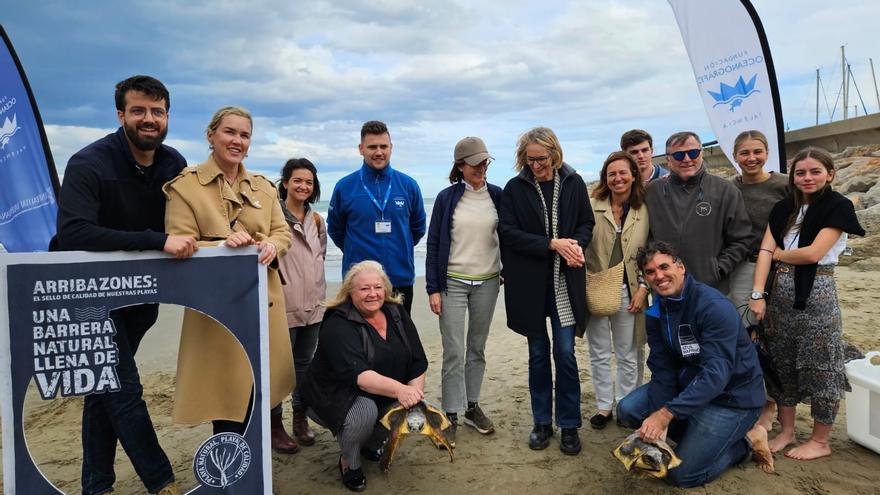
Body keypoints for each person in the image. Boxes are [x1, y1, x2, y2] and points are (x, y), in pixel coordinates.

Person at [54, 75, 194, 495]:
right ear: (121, 115)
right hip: (88, 299)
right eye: (139, 111)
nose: (148, 119)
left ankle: (96, 485)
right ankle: (161, 481)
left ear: (167, 115)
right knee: (123, 387)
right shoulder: (88, 163)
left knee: (103, 391)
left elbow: (192, 219)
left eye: (157, 111)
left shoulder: (173, 163)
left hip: (140, 299)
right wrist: (157, 241)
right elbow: (74, 233)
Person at [164, 106, 294, 436]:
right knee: (226, 397)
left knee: (260, 392)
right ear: (211, 135)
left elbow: (282, 233)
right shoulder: (185, 187)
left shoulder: (265, 187)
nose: (237, 141)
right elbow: (179, 244)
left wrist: (270, 246)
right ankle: (232, 478)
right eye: (229, 132)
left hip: (264, 301)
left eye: (244, 135)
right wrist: (224, 246)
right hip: (216, 307)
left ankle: (257, 477)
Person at [616, 241, 773, 488]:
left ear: (681, 268)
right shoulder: (657, 311)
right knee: (628, 410)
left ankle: (746, 442)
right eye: (650, 272)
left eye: (664, 267)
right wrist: (660, 424)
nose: (659, 276)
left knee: (681, 475)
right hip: (690, 384)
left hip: (732, 397)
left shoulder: (712, 306)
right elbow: (662, 368)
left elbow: (716, 375)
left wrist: (666, 414)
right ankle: (695, 435)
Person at [748, 147, 864, 460]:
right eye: (801, 172)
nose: (807, 178)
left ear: (830, 174)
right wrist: (757, 293)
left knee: (821, 363)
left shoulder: (837, 207)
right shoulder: (784, 208)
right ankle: (787, 431)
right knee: (781, 362)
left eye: (815, 171)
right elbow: (763, 251)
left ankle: (820, 440)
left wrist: (776, 255)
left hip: (818, 293)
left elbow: (813, 253)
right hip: (779, 296)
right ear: (793, 176)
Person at [499, 127, 594, 455]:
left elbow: (586, 223)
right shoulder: (515, 188)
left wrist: (575, 245)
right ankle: (542, 422)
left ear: (555, 153)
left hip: (565, 284)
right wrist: (551, 244)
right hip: (529, 286)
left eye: (541, 159)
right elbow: (507, 232)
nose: (536, 166)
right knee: (538, 355)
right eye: (530, 159)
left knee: (565, 354)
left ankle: (569, 425)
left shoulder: (574, 182)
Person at [301, 260, 428, 492]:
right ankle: (350, 462)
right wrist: (401, 390)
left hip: (377, 388)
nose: (373, 294)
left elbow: (418, 361)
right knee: (365, 412)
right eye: (364, 288)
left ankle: (370, 445)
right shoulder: (338, 323)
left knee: (408, 408)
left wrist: (415, 395)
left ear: (386, 289)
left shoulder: (396, 312)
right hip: (332, 395)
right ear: (350, 292)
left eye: (377, 287)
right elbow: (359, 375)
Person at [426, 136, 503, 444]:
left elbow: (508, 235)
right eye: (475, 164)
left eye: (485, 162)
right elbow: (433, 243)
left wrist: (507, 269)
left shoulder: (497, 195)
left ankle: (472, 407)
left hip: (488, 282)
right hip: (452, 283)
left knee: (477, 348)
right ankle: (451, 413)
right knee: (454, 351)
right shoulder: (446, 198)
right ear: (460, 166)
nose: (481, 168)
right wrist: (433, 288)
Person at [327, 121, 427, 314]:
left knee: (399, 340)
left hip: (400, 278)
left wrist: (398, 246)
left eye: (384, 146)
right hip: (359, 283)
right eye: (372, 147)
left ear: (391, 148)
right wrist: (356, 250)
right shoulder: (345, 187)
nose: (379, 152)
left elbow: (418, 227)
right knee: (359, 340)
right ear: (361, 149)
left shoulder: (408, 185)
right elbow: (336, 230)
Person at [726, 130, 789, 431]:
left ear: (767, 153)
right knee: (745, 333)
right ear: (735, 155)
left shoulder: (785, 184)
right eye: (744, 153)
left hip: (780, 269)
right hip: (741, 269)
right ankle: (752, 395)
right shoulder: (728, 188)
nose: (751, 158)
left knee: (773, 336)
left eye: (757, 152)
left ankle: (770, 404)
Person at [584, 151, 650, 429]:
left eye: (623, 172)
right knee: (598, 352)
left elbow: (654, 250)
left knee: (628, 353)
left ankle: (626, 404)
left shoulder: (645, 207)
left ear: (633, 175)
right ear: (605, 178)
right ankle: (603, 406)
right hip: (597, 288)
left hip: (632, 291)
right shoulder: (591, 205)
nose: (618, 178)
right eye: (612, 174)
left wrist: (644, 288)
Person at [645, 131, 751, 294]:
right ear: (668, 159)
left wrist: (718, 269)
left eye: (693, 153)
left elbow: (742, 238)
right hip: (665, 288)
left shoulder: (726, 190)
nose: (687, 159)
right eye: (679, 155)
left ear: (701, 153)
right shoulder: (653, 191)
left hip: (710, 288)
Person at [271, 158, 327, 452]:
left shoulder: (317, 220)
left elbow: (319, 258)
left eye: (309, 182)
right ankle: (275, 425)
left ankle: (300, 418)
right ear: (285, 183)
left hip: (313, 307)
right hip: (282, 307)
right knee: (279, 369)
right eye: (298, 180)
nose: (304, 186)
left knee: (304, 366)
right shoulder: (274, 218)